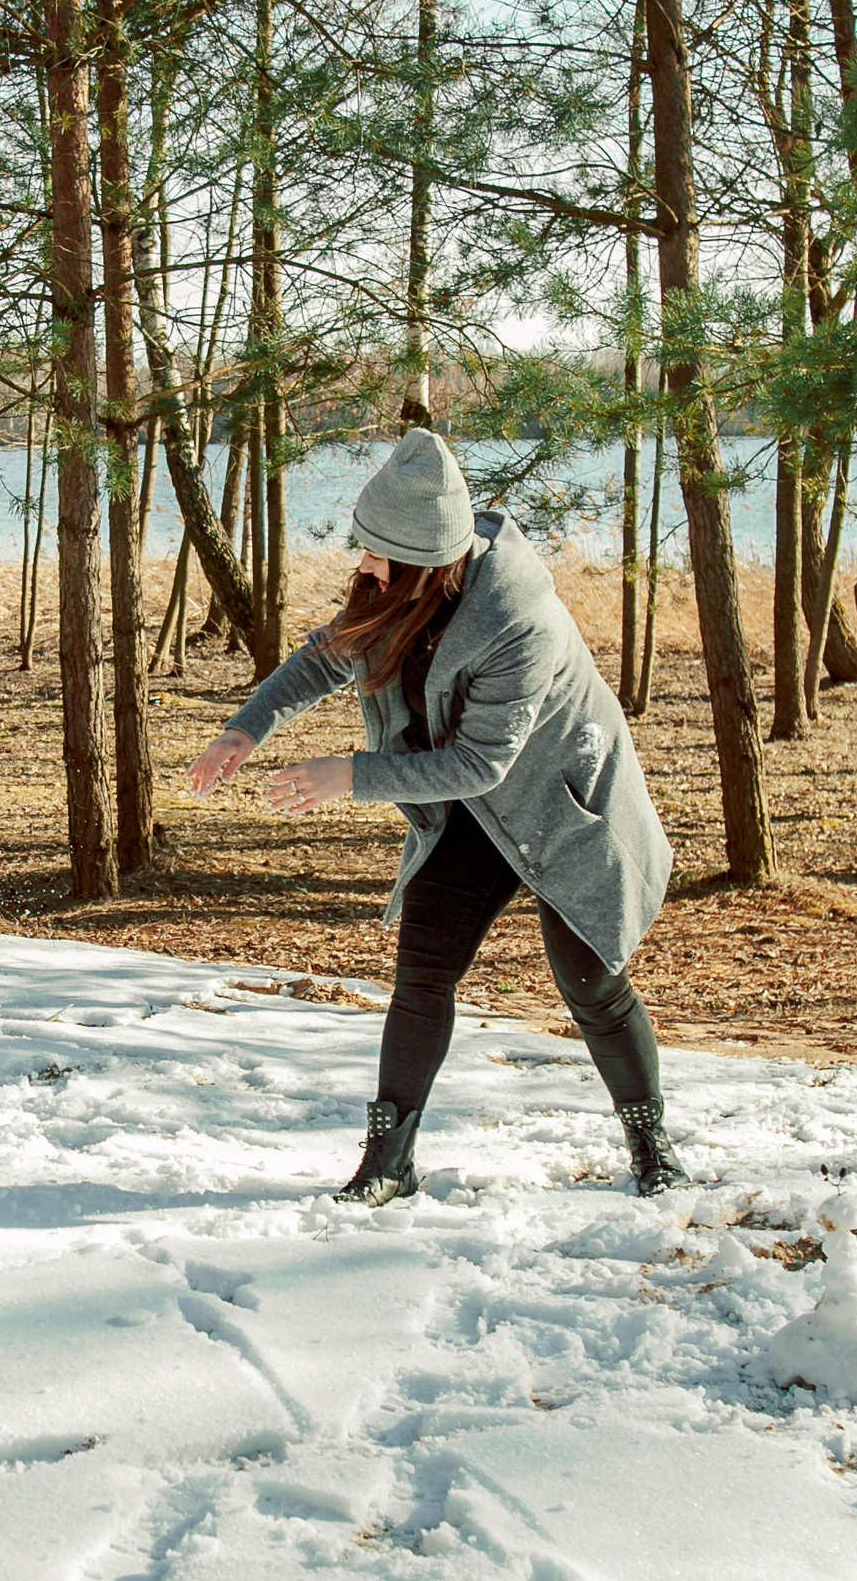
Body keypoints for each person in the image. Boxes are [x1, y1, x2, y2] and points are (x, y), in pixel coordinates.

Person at [188, 417, 687, 1202]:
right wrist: (239, 732)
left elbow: (483, 760)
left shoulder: (515, 621)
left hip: (566, 812)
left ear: (428, 560)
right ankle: (389, 1162)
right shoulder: (396, 593)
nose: (364, 562)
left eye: (377, 550)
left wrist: (350, 776)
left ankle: (653, 1146)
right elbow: (326, 655)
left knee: (590, 984)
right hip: (467, 815)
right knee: (422, 974)